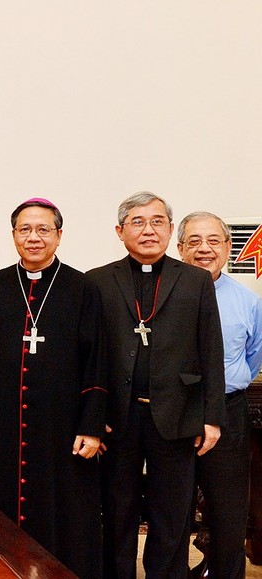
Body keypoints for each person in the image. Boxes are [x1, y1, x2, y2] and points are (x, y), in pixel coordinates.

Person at [0, 198, 105, 578]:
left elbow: (97, 361)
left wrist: (91, 426)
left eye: (43, 229)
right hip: (5, 422)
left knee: (65, 511)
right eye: (25, 229)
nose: (34, 237)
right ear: (13, 235)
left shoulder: (82, 288)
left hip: (63, 427)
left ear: (59, 235)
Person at [88, 192, 225, 579]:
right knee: (117, 511)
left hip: (178, 414)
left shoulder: (195, 281)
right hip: (118, 417)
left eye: (157, 221)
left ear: (169, 229)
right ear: (120, 231)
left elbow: (210, 350)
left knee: (173, 515)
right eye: (137, 222)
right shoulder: (97, 281)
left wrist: (212, 417)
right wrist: (92, 416)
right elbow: (88, 355)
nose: (148, 230)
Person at [177, 211, 262, 578]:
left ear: (228, 247)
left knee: (228, 511)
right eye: (194, 241)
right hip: (174, 412)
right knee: (173, 508)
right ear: (180, 248)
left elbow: (253, 357)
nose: (204, 249)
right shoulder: (164, 295)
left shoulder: (248, 301)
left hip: (229, 412)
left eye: (213, 240)